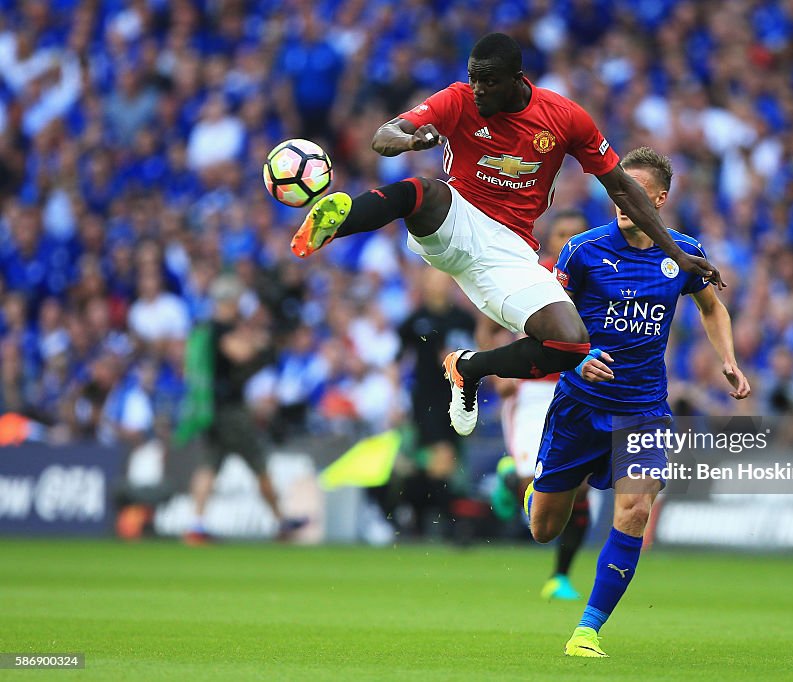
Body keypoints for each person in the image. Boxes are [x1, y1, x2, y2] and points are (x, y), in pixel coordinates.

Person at [289, 32, 722, 441]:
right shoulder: (457, 99)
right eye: (474, 78)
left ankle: (470, 369)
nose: (477, 90)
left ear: (517, 80)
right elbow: (384, 135)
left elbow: (622, 186)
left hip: (510, 250)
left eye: (489, 82)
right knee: (423, 191)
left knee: (569, 342)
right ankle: (337, 222)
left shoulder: (564, 118)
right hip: (456, 217)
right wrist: (408, 140)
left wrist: (676, 253)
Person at [523, 148, 751, 657]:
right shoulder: (581, 251)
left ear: (660, 200)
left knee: (633, 511)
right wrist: (576, 360)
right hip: (579, 403)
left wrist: (728, 360)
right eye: (616, 191)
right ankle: (532, 495)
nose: (622, 201)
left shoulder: (683, 253)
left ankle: (587, 630)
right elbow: (542, 322)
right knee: (544, 529)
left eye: (635, 194)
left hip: (644, 408)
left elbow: (713, 308)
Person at [486, 208, 592, 600]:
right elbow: (491, 321)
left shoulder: (601, 275)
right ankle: (511, 476)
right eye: (561, 233)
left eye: (575, 234)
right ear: (550, 240)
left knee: (579, 488)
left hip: (580, 389)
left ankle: (561, 576)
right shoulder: (532, 274)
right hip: (531, 388)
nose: (567, 241)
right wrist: (499, 371)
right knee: (535, 483)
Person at [184, 275, 306, 544]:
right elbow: (240, 354)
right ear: (227, 300)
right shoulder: (220, 329)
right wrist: (264, 346)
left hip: (212, 410)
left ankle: (196, 523)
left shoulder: (205, 329)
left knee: (209, 465)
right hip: (230, 411)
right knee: (258, 463)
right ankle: (280, 521)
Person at [395, 267, 476, 535]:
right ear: (426, 285)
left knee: (442, 464)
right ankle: (453, 525)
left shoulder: (463, 320)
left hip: (456, 397)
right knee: (442, 457)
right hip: (426, 400)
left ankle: (412, 513)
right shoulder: (415, 320)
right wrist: (395, 399)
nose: (439, 285)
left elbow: (477, 355)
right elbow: (397, 361)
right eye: (434, 280)